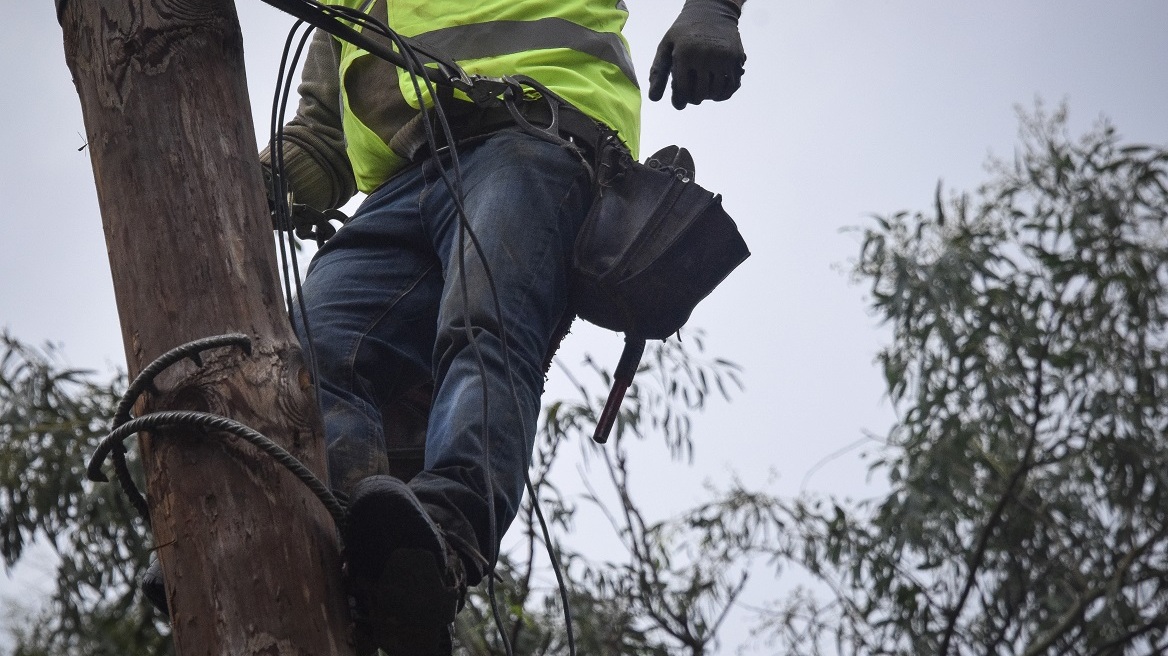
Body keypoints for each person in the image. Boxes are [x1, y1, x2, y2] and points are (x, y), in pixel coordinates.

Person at [269, 1, 748, 653]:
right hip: (400, 188)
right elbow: (322, 142)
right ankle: (355, 544)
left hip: (532, 132)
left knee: (483, 327)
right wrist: (243, 180)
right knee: (305, 360)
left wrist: (713, 11)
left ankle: (441, 541)